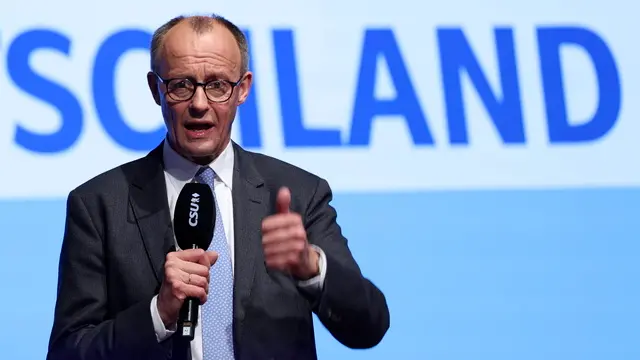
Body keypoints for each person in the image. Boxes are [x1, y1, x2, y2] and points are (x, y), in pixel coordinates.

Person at [46, 13, 390, 360]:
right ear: (156, 89)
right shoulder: (98, 205)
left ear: (242, 89)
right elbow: (66, 352)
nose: (199, 104)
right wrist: (158, 314)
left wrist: (311, 268)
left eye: (217, 85)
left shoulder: (299, 194)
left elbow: (369, 326)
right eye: (181, 84)